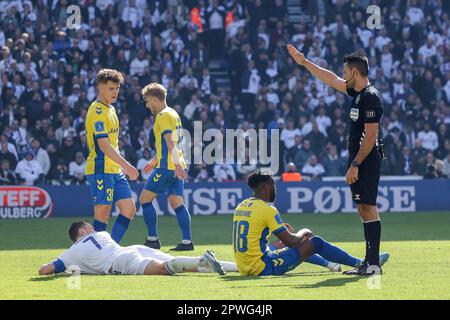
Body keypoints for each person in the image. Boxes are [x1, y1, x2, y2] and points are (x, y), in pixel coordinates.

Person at [288, 45, 386, 275]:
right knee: (363, 208)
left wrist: (355, 164)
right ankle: (370, 262)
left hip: (367, 158)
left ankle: (373, 265)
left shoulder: (370, 97)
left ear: (354, 72)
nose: (342, 74)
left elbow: (371, 136)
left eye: (345, 70)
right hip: (360, 158)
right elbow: (330, 79)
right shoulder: (358, 93)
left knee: (368, 208)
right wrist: (304, 63)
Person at [232, 170, 389, 276]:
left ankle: (333, 264)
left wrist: (279, 230)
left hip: (244, 265)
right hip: (262, 267)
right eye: (274, 186)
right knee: (314, 242)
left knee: (285, 244)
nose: (275, 190)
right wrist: (303, 232)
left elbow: (254, 231)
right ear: (266, 187)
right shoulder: (268, 209)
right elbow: (292, 241)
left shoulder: (242, 206)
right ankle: (362, 263)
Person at [38, 221, 237, 276]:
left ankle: (202, 260)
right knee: (177, 264)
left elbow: (45, 270)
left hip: (119, 262)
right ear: (82, 232)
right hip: (133, 249)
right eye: (88, 226)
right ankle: (236, 267)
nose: (92, 227)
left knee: (165, 268)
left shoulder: (71, 253)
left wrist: (64, 267)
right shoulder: (102, 234)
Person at [85, 69, 139, 244]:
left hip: (114, 169)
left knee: (129, 209)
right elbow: (104, 145)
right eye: (111, 88)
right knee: (103, 213)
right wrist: (127, 165)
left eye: (117, 88)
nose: (115, 92)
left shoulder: (111, 109)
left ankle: (111, 248)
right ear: (100, 88)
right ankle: (96, 255)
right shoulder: (97, 110)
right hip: (100, 167)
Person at [139, 83, 193, 251]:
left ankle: (152, 239)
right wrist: (154, 160)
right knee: (177, 203)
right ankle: (187, 241)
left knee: (144, 200)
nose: (148, 105)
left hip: (167, 167)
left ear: (155, 99)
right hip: (174, 164)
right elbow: (170, 144)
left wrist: (174, 165)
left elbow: (169, 142)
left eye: (148, 101)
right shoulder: (174, 113)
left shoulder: (162, 116)